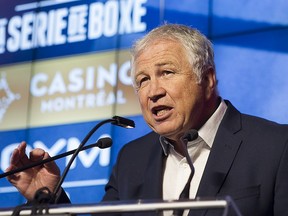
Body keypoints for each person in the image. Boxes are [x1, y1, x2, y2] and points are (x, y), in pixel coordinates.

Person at [6, 24, 288, 216]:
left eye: (166, 72)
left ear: (208, 79)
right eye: (142, 80)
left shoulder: (276, 147)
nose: (153, 91)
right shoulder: (132, 159)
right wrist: (50, 197)